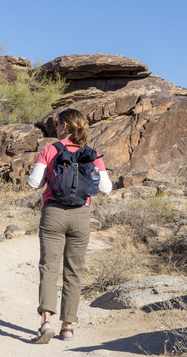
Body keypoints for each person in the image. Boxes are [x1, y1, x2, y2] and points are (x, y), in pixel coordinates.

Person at [27, 108, 112, 344]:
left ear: (64, 126)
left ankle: (45, 323)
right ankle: (68, 327)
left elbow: (34, 182)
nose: (55, 127)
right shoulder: (92, 153)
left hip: (54, 213)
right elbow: (106, 188)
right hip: (81, 216)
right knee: (74, 271)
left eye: (56, 124)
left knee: (49, 268)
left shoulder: (50, 150)